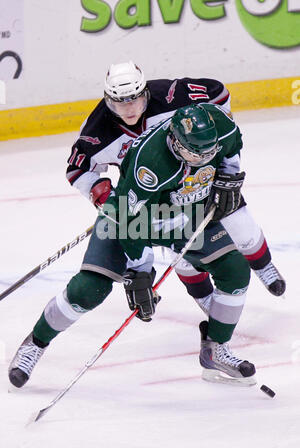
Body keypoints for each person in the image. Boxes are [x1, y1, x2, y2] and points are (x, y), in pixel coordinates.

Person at [9, 104, 257, 388]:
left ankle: (216, 350)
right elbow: (129, 219)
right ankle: (36, 343)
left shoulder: (217, 126)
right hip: (132, 218)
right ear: (176, 142)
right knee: (89, 289)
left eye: (209, 153)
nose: (203, 159)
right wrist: (141, 272)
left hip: (186, 214)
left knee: (235, 270)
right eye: (195, 154)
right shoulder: (150, 161)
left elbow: (233, 144)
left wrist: (229, 177)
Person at [66, 61, 285, 309]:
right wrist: (110, 200)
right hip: (156, 193)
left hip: (202, 173)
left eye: (134, 100)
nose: (128, 109)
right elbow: (78, 169)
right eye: (118, 103)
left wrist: (223, 166)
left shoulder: (173, 95)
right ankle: (203, 296)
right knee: (181, 249)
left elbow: (219, 94)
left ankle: (264, 266)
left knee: (238, 218)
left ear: (145, 93)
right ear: (108, 100)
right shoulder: (97, 130)